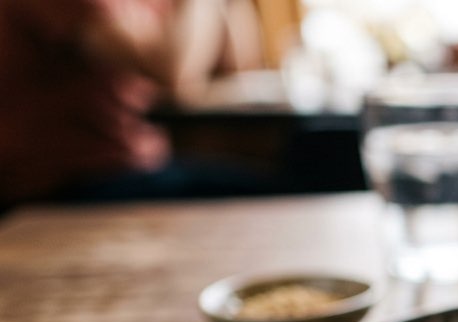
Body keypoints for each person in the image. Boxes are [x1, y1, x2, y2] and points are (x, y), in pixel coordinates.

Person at [0, 0, 263, 208]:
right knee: (276, 194)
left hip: (136, 167)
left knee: (282, 179)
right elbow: (173, 72)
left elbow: (237, 67)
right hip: (70, 184)